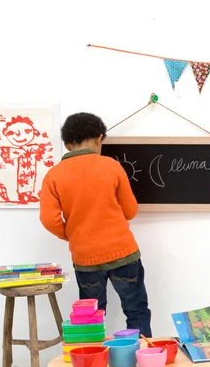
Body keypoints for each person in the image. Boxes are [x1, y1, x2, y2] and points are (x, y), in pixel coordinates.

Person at [39, 112, 152, 337]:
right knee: (136, 310)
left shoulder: (53, 175)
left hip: (85, 257)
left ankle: (92, 356)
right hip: (123, 253)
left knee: (90, 317)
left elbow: (48, 219)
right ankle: (143, 356)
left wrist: (72, 234)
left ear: (67, 144)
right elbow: (130, 211)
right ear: (100, 138)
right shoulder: (111, 166)